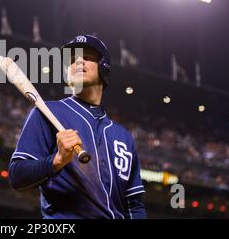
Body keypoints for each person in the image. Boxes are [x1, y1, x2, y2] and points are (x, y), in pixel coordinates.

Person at [9, 34, 146, 219]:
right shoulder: (48, 112)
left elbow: (134, 204)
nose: (78, 62)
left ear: (104, 67)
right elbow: (17, 175)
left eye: (87, 57)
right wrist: (57, 160)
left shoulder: (123, 137)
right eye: (72, 60)